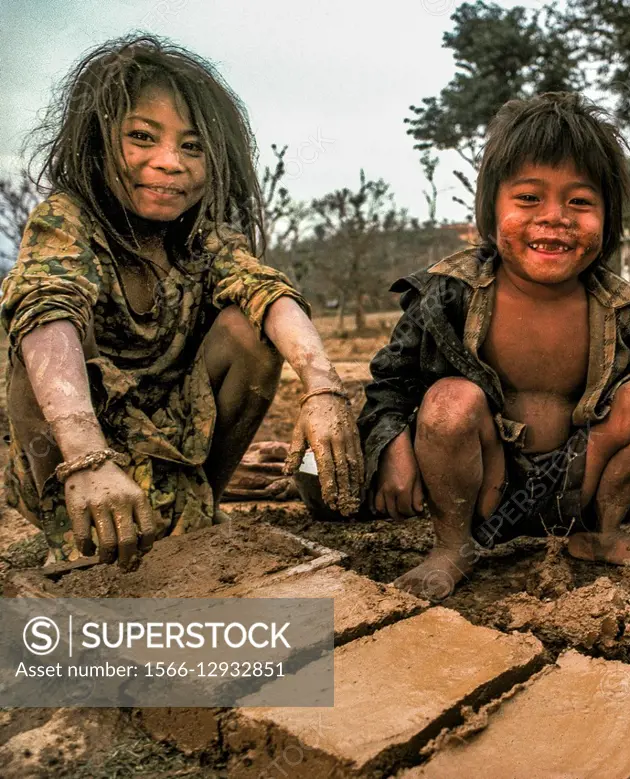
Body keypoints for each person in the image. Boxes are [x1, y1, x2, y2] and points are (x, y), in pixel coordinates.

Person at [1, 35, 362, 568]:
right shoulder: (66, 220)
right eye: (142, 137)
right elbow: (46, 307)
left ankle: (199, 506)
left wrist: (322, 388)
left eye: (192, 147)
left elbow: (270, 292)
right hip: (76, 453)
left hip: (175, 440)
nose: (170, 162)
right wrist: (86, 458)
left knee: (252, 328)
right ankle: (73, 534)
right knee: (38, 354)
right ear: (97, 144)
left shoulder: (203, 238)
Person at [359, 92, 630, 601]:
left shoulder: (626, 311)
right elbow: (392, 383)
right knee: (449, 399)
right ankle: (453, 546)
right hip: (484, 486)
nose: (555, 217)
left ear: (610, 218)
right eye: (529, 198)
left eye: (580, 202)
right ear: (491, 211)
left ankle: (600, 533)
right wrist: (389, 449)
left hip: (582, 480)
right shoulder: (449, 293)